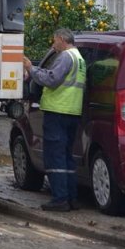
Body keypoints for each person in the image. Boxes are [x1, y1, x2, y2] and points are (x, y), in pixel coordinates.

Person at [23, 28, 87, 212]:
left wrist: (31, 68)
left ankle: (60, 199)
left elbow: (52, 79)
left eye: (54, 41)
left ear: (61, 39)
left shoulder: (66, 57)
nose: (53, 44)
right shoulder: (79, 58)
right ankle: (71, 198)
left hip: (58, 111)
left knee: (55, 156)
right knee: (67, 157)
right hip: (72, 111)